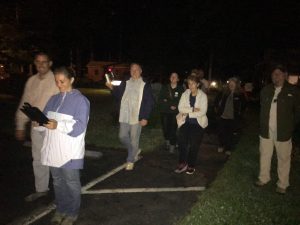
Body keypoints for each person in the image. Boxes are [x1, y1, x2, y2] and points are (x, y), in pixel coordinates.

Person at [35, 67, 90, 225]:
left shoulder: (81, 101)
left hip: (69, 152)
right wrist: (39, 122)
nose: (59, 85)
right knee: (58, 182)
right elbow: (45, 120)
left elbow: (79, 127)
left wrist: (57, 125)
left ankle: (72, 213)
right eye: (56, 81)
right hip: (53, 150)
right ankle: (61, 209)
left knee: (71, 183)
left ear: (71, 80)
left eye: (62, 81)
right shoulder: (53, 99)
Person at [15, 52, 59, 202]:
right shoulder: (31, 81)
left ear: (50, 63)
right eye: (38, 62)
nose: (41, 65)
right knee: (38, 159)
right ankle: (41, 189)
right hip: (35, 126)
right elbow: (24, 102)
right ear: (34, 63)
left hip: (52, 127)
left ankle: (62, 191)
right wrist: (20, 125)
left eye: (44, 62)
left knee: (55, 159)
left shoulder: (56, 80)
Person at [255, 64, 300, 194]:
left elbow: (297, 112)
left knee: (283, 158)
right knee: (264, 155)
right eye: (274, 74)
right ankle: (264, 178)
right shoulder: (266, 90)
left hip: (283, 132)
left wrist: (290, 126)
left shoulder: (293, 91)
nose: (276, 76)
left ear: (285, 75)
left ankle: (283, 183)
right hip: (266, 131)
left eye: (279, 73)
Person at [106, 63, 154, 170]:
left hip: (137, 116)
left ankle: (130, 159)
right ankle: (133, 151)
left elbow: (149, 101)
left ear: (141, 71)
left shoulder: (145, 84)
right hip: (124, 114)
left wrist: (145, 117)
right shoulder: (126, 82)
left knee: (134, 139)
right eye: (132, 69)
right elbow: (118, 95)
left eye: (136, 69)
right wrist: (112, 88)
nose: (134, 71)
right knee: (122, 136)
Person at [175, 74, 208, 174]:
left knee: (194, 144)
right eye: (189, 84)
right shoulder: (185, 94)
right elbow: (180, 108)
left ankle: (191, 164)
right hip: (185, 121)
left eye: (193, 84)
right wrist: (193, 109)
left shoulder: (203, 96)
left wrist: (188, 112)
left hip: (198, 123)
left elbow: (203, 112)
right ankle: (182, 162)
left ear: (197, 84)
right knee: (182, 142)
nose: (191, 86)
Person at [214, 77, 246, 155]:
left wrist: (240, 114)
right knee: (221, 132)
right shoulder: (223, 92)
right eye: (230, 83)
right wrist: (217, 110)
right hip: (222, 116)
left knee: (230, 133)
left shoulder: (240, 94)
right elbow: (216, 101)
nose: (231, 85)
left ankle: (228, 148)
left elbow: (244, 105)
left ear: (236, 84)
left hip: (233, 118)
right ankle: (221, 145)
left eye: (233, 83)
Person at [158, 72, 184, 153]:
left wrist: (169, 102)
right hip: (165, 112)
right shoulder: (164, 88)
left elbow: (182, 100)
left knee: (173, 129)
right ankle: (167, 140)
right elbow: (160, 99)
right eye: (172, 76)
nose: (173, 78)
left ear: (178, 79)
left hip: (175, 113)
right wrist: (170, 105)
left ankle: (172, 145)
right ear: (169, 78)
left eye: (175, 76)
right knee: (165, 128)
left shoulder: (180, 89)